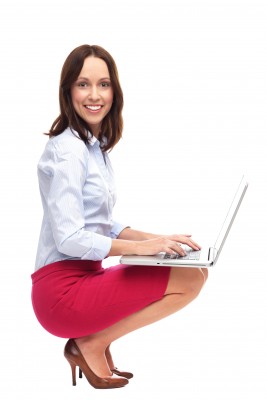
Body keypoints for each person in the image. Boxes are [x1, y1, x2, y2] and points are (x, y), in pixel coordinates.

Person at [31, 44, 208, 390]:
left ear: (115, 90)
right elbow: (70, 238)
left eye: (104, 84)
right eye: (83, 84)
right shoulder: (68, 151)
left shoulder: (92, 147)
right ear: (68, 90)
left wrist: (159, 241)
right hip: (61, 293)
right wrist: (145, 249)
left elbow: (101, 222)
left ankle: (97, 341)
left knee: (194, 269)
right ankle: (92, 342)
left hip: (83, 277)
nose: (94, 95)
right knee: (189, 280)